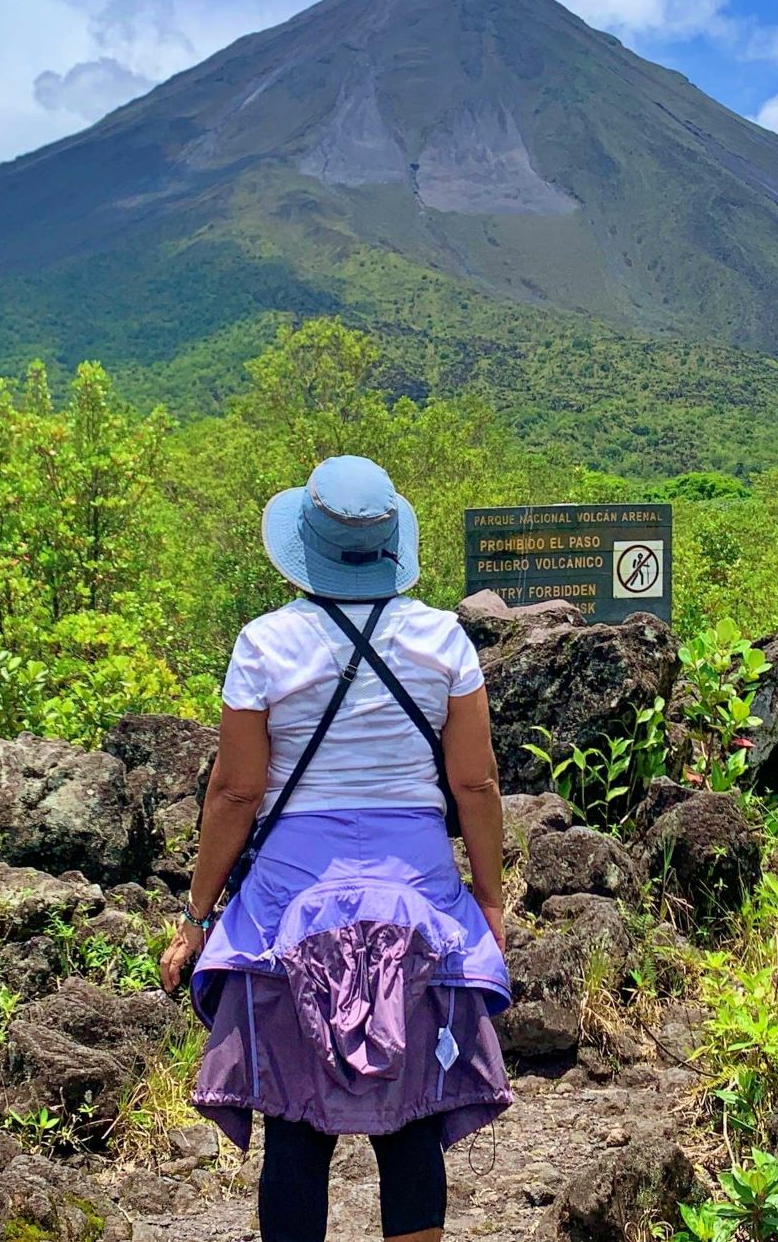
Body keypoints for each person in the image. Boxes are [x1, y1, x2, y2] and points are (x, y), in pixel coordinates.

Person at [158, 455, 513, 1242]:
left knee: (296, 1125)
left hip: (291, 908)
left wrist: (197, 912)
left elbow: (235, 794)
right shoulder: (441, 639)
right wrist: (488, 902)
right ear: (390, 545)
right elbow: (477, 784)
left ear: (306, 545)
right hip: (416, 902)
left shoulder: (265, 643)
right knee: (411, 1121)